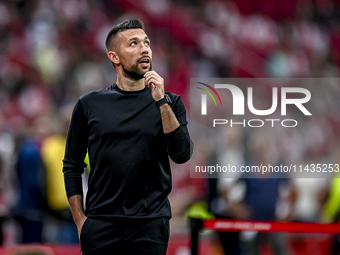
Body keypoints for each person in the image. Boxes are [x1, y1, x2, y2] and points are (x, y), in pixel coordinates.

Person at [62, 19, 193, 255]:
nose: (144, 49)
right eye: (133, 43)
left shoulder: (171, 102)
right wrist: (81, 221)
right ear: (115, 57)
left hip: (150, 224)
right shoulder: (89, 104)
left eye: (146, 43)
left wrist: (161, 102)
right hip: (101, 223)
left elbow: (182, 154)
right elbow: (72, 165)